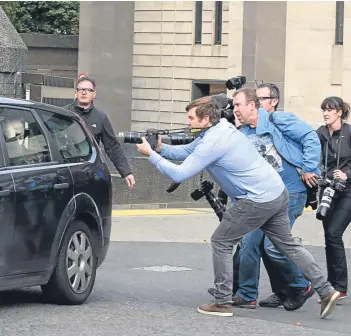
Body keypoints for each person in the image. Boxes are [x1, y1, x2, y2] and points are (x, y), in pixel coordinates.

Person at [135, 95, 339, 318]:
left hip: (256, 199)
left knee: (221, 241)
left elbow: (180, 172)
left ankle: (222, 301)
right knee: (288, 245)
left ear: (205, 119)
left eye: (191, 118)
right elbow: (186, 151)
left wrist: (151, 155)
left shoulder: (214, 141)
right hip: (276, 192)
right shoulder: (221, 127)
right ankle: (326, 290)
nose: (188, 122)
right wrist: (160, 147)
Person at [231, 85, 319, 311]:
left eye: (238, 105)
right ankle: (247, 294)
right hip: (263, 196)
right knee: (249, 242)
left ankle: (302, 285)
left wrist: (309, 167)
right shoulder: (243, 133)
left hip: (292, 191)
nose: (235, 110)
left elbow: (310, 136)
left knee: (273, 246)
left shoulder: (279, 120)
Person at [64, 76, 135, 188]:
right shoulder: (64, 113)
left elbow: (112, 147)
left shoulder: (100, 117)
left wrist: (126, 172)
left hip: (90, 171)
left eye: (88, 90)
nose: (84, 92)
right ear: (76, 93)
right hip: (66, 171)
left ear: (94, 94)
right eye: (81, 89)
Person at [316, 96, 351, 302]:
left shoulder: (349, 132)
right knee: (330, 239)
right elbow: (311, 155)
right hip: (328, 191)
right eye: (324, 110)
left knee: (333, 233)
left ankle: (340, 286)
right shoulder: (319, 133)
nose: (326, 113)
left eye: (330, 110)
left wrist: (347, 174)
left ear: (339, 112)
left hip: (348, 191)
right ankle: (332, 286)